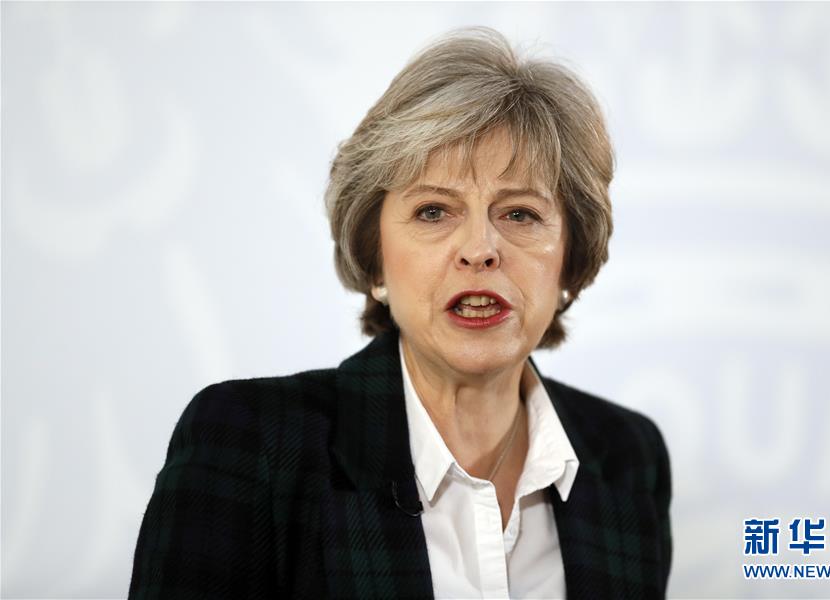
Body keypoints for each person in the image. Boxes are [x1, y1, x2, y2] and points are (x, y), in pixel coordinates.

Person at [129, 27, 671, 600]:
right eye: (434, 211)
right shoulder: (251, 444)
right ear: (376, 261)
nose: (480, 248)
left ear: (570, 261)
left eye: (520, 214)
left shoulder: (628, 458)